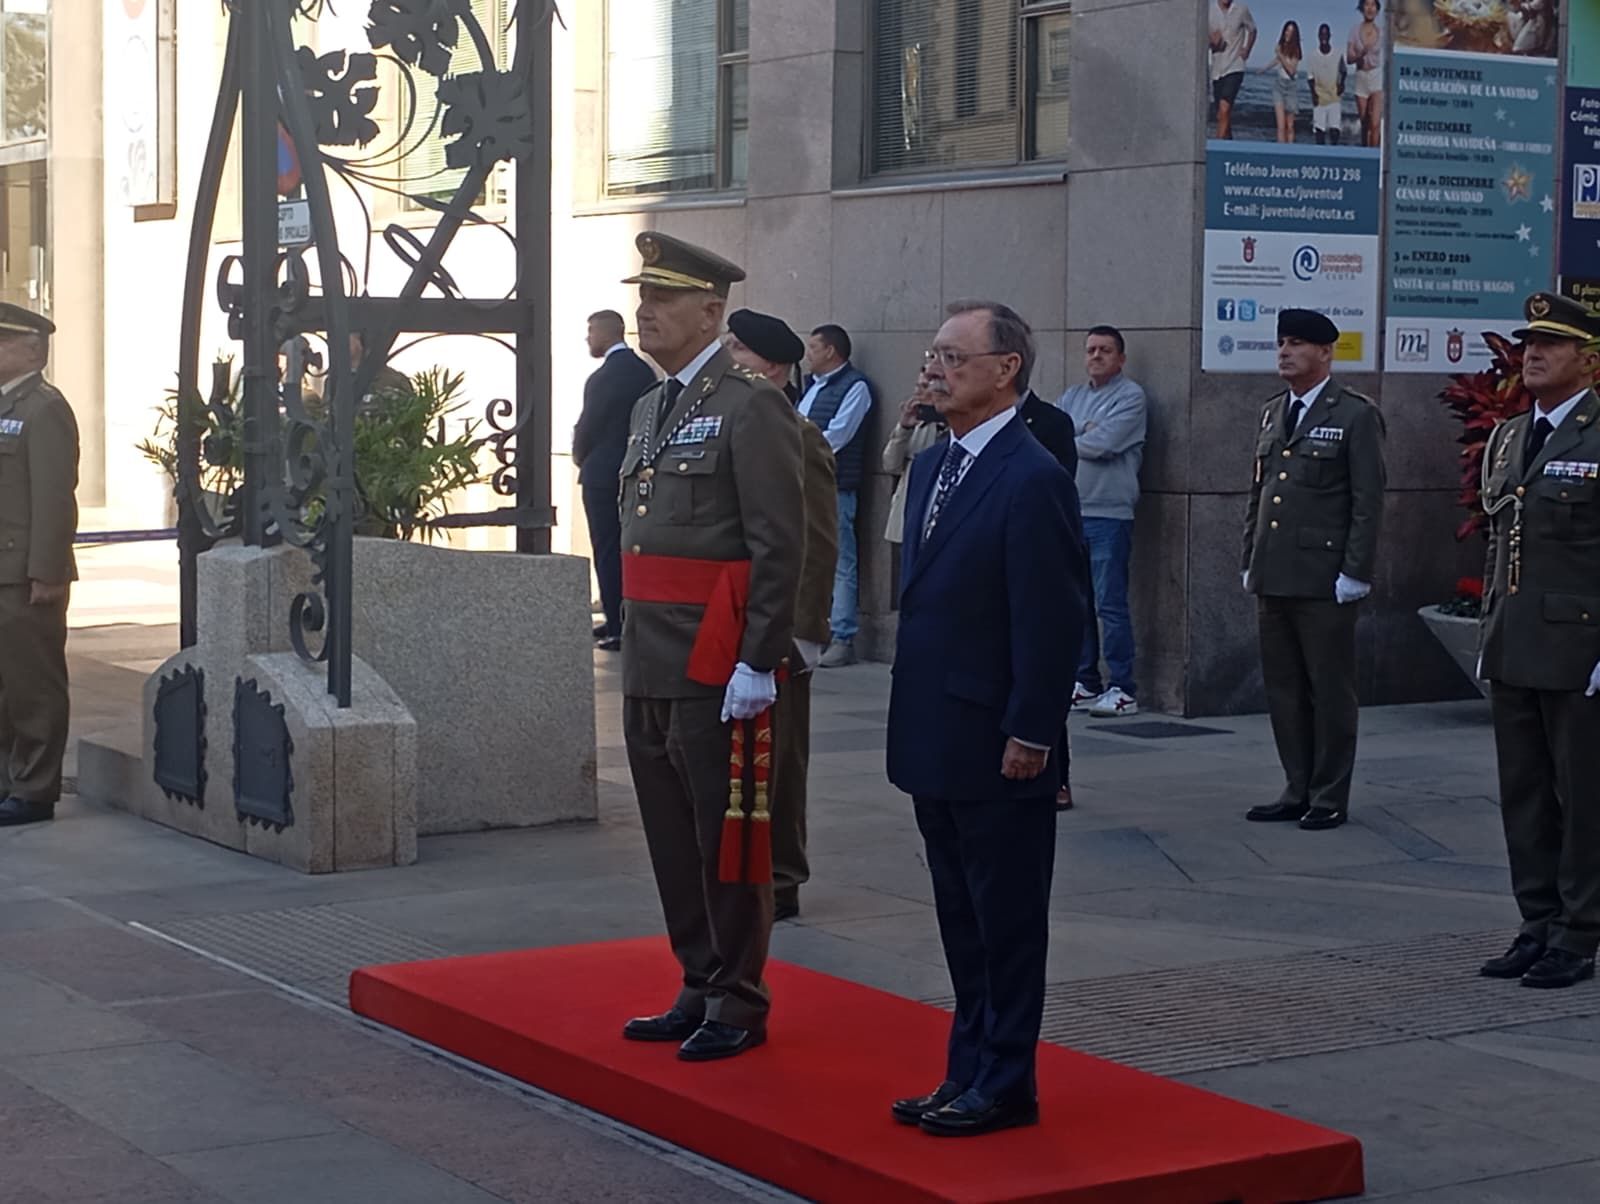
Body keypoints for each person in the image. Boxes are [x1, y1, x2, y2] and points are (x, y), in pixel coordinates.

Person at [886, 301, 1085, 1137]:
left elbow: (1051, 617)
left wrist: (1033, 731)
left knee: (1006, 922)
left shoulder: (1033, 475)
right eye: (931, 355)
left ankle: (1006, 1080)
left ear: (1006, 368)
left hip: (999, 740)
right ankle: (965, 1068)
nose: (934, 369)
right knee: (960, 918)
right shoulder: (935, 466)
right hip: (937, 730)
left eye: (952, 356)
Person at [615, 233, 803, 1062]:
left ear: (710, 311)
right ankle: (696, 976)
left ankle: (740, 995)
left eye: (662, 297)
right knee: (667, 830)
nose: (644, 310)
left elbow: (778, 541)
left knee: (724, 834)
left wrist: (758, 660)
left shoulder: (750, 402)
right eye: (641, 295)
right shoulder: (650, 405)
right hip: (650, 654)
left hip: (715, 659)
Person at [1476, 292, 1600, 991]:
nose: (1533, 353)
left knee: (1582, 796)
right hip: (1516, 642)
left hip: (1579, 648)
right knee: (1523, 791)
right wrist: (1490, 631)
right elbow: (1501, 545)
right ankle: (1538, 922)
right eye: (1529, 343)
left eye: (1551, 344)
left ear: (1587, 359)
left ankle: (1579, 933)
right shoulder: (1509, 437)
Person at [1242, 309, 1385, 832]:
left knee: (1329, 688)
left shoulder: (1354, 414)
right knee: (1283, 687)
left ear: (1326, 353)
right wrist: (1247, 559)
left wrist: (1356, 571)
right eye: (1281, 342)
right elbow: (1259, 495)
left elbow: (1367, 501)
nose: (1285, 352)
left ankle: (1328, 793)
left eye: (1298, 343)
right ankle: (1295, 785)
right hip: (1274, 572)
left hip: (1325, 577)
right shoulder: (1272, 412)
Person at [724, 308, 839, 922]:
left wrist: (803, 631)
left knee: (780, 757)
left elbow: (817, 539)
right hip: (732, 618)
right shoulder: (738, 422)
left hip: (781, 628)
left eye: (738, 350)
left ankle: (782, 878)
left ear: (771, 365)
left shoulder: (798, 433)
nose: (729, 359)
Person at [0, 305, 78, 828]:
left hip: (25, 571)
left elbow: (54, 497)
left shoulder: (44, 408)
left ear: (31, 348)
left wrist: (48, 571)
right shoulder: (8, 404)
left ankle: (34, 789)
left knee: (34, 685)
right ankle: (10, 778)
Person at [1058, 326, 1148, 720]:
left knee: (1110, 605)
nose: (1096, 356)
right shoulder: (1073, 396)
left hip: (1109, 513)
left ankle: (1122, 687)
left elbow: (1104, 444)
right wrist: (1082, 432)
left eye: (1105, 350)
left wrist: (1079, 434)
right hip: (1071, 511)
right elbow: (1051, 436)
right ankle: (1086, 680)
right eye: (1091, 349)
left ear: (1121, 359)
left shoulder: (1131, 396)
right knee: (1077, 604)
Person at [572, 309, 657, 651]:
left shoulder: (602, 377)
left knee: (606, 547)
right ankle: (628, 618)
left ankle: (616, 623)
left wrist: (580, 456)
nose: (588, 338)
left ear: (606, 333)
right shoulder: (644, 372)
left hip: (602, 472)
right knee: (631, 547)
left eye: (590, 331)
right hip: (637, 471)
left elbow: (588, 425)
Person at [798, 324, 874, 667]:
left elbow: (836, 436)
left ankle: (843, 636)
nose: (808, 354)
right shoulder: (812, 387)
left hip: (835, 486)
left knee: (842, 562)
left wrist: (793, 450)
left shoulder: (856, 387)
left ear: (831, 351)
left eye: (813, 347)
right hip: (804, 482)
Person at [882, 370, 947, 547]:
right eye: (917, 386)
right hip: (908, 520)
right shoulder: (917, 424)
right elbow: (890, 465)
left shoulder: (957, 426)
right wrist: (903, 428)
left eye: (925, 387)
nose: (918, 392)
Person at [1208, 0, 1258, 140]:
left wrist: (1247, 49)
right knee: (1221, 114)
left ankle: (1218, 148)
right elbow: (1202, 39)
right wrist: (1212, 42)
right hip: (1217, 69)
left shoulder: (1241, 9)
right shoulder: (1209, 12)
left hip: (1235, 66)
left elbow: (1253, 30)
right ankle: (1229, 144)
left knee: (1224, 108)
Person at [1346, 0, 1384, 149]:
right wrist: (1359, 54)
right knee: (1365, 123)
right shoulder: (1354, 30)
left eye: (1373, 5)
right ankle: (1364, 152)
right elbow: (1348, 58)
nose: (1370, 8)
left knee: (1375, 123)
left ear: (1377, 9)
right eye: (1367, 5)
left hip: (1376, 76)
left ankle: (1375, 155)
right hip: (1361, 77)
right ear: (1362, 8)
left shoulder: (1381, 32)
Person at [1261, 21, 1302, 144]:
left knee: (1290, 127)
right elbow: (1276, 60)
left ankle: (1290, 151)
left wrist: (1280, 54)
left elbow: (1291, 70)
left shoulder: (1296, 50)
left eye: (1291, 32)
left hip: (1291, 87)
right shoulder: (1281, 46)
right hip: (1279, 85)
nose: (1288, 34)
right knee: (1280, 126)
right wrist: (1264, 69)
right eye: (1287, 31)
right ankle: (1280, 152)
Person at [1305, 23, 1346, 146]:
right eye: (1321, 34)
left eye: (1326, 34)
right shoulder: (1313, 56)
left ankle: (1334, 155)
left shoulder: (1338, 54)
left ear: (1329, 36)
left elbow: (1343, 71)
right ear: (1318, 36)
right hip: (1319, 99)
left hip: (1334, 98)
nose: (1323, 37)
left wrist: (1342, 84)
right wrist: (1313, 94)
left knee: (1334, 131)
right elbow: (1310, 78)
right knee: (1319, 132)